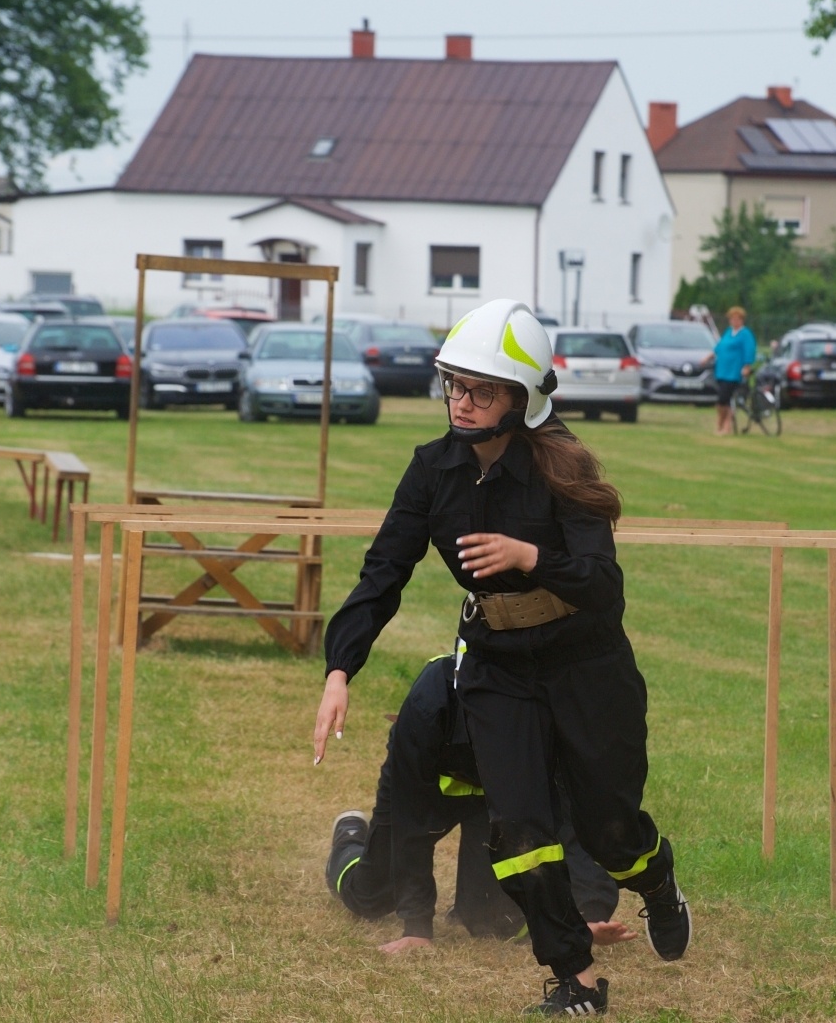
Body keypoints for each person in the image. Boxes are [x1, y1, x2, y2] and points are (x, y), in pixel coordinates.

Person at [313, 300, 690, 1017]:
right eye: (455, 384)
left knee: (611, 831)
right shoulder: (432, 470)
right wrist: (341, 669)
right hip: (497, 666)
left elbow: (604, 587)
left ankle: (658, 878)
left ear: (523, 397)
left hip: (588, 666)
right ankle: (574, 979)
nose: (462, 400)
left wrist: (532, 556)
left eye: (482, 389)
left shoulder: (565, 465)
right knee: (519, 830)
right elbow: (382, 572)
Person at [325, 649, 628, 954]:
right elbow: (410, 823)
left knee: (491, 922)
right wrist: (417, 926)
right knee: (369, 897)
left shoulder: (541, 711)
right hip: (427, 791)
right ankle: (350, 836)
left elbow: (569, 816)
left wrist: (589, 913)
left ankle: (467, 903)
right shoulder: (427, 705)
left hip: (491, 799)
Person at [704, 306, 756, 434]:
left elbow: (749, 350)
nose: (734, 321)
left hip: (733, 372)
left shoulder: (745, 334)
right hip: (722, 370)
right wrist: (708, 357)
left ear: (741, 320)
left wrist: (747, 366)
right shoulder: (728, 332)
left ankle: (725, 425)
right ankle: (722, 424)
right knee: (723, 400)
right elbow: (720, 346)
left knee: (723, 398)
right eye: (732, 319)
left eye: (736, 319)